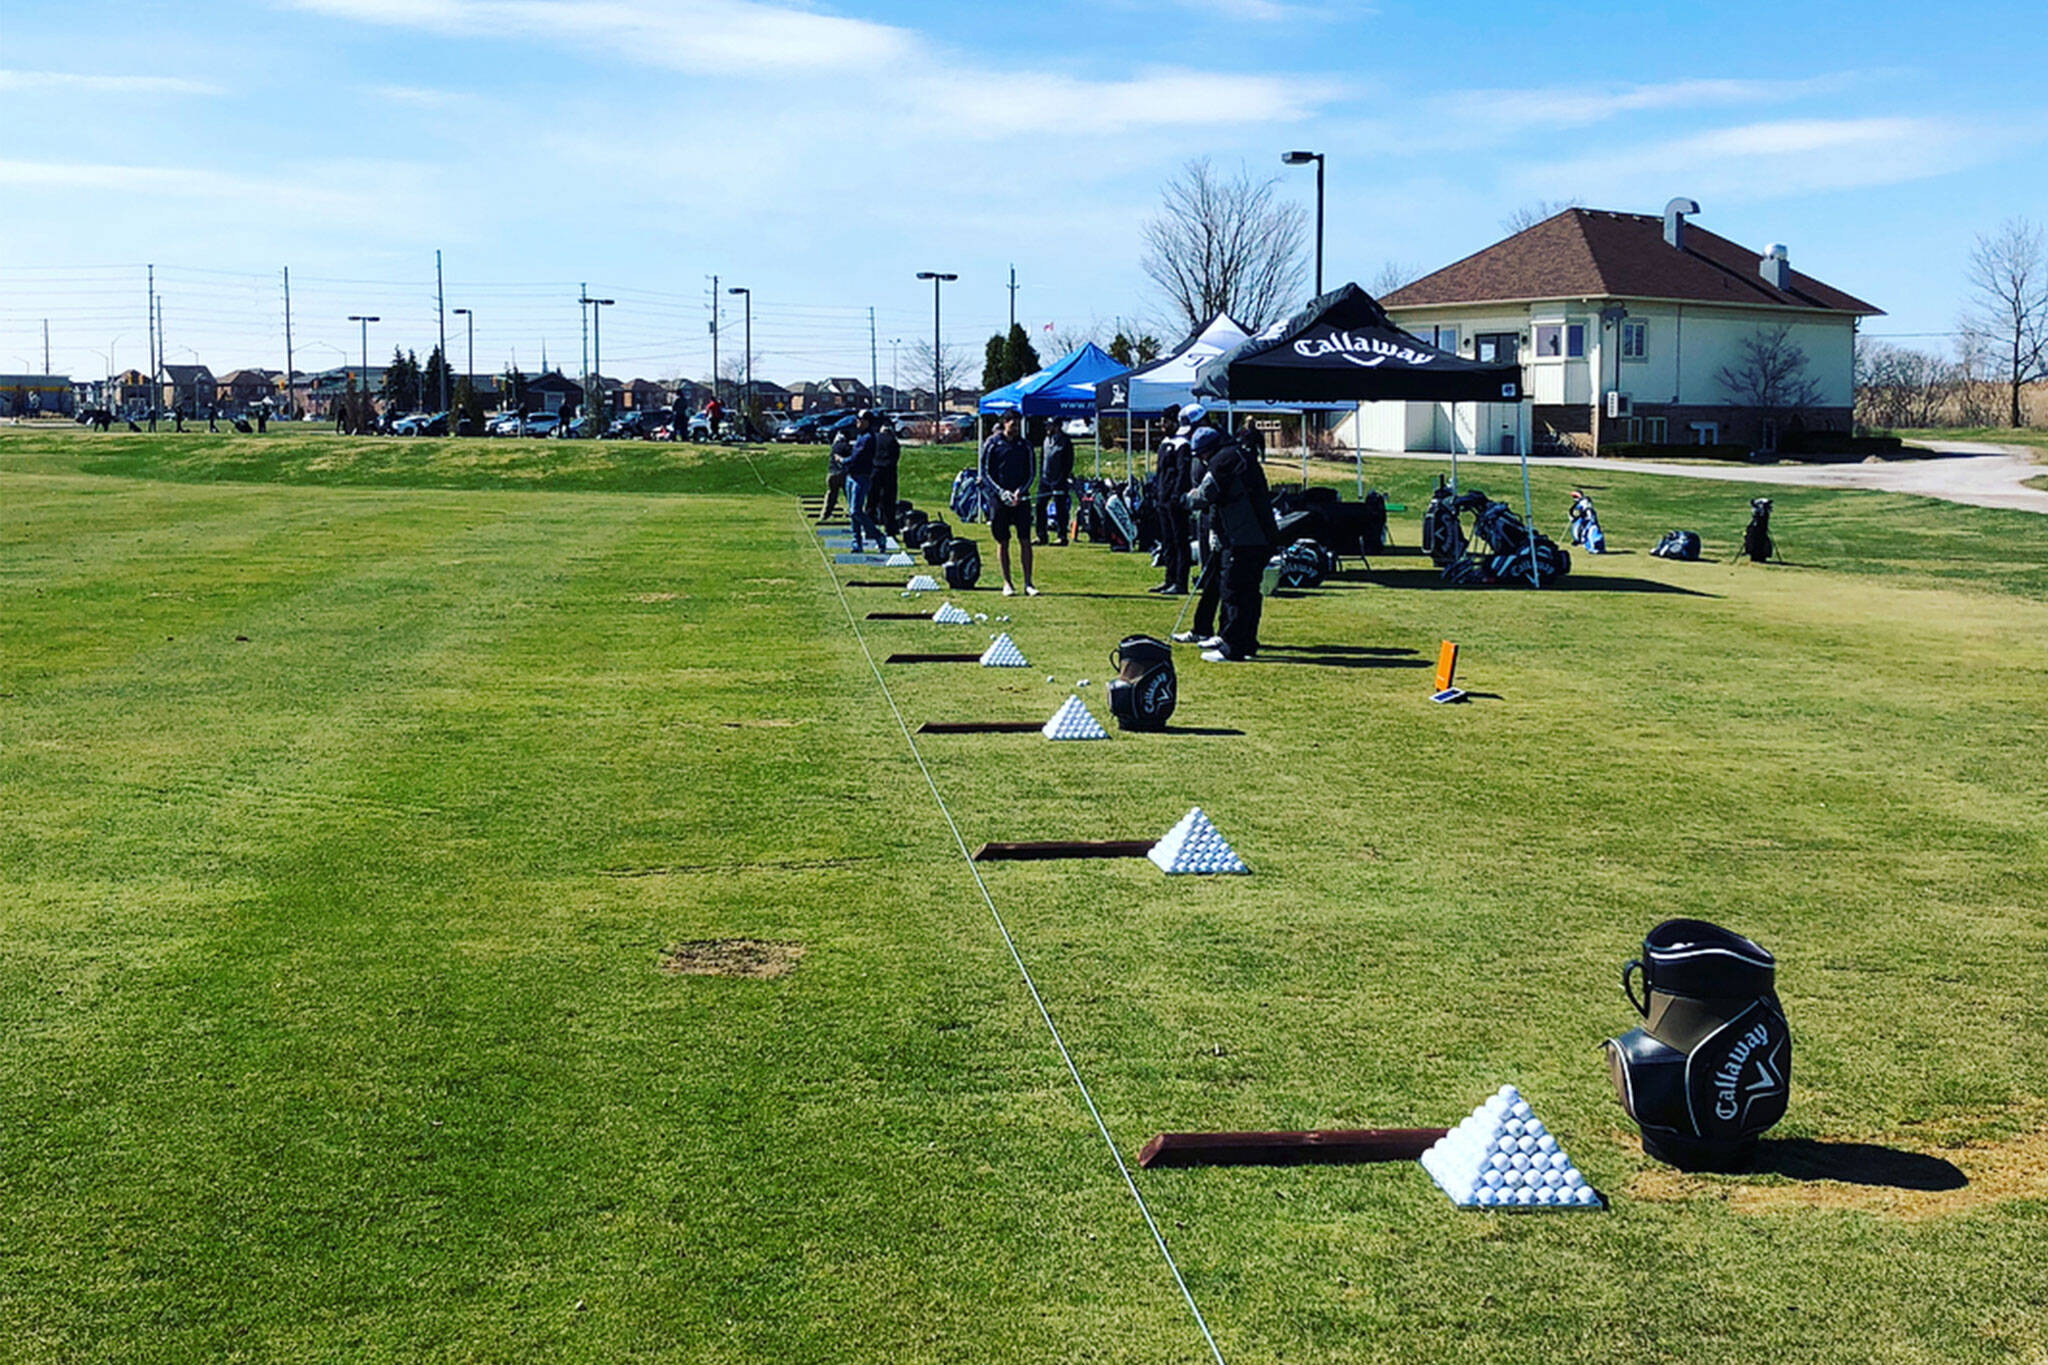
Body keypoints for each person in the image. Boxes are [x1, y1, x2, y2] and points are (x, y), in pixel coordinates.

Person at [1185, 424, 1278, 662]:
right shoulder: (1238, 455)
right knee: (1249, 594)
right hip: (1261, 536)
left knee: (1234, 591)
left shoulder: (1222, 461)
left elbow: (1205, 495)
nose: (1202, 460)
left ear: (1208, 450)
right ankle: (1246, 643)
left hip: (1243, 538)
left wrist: (1183, 499)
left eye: (1201, 455)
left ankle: (1232, 647)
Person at [979, 413, 1039, 597]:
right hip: (999, 499)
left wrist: (1021, 490)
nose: (1015, 428)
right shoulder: (993, 444)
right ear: (1005, 424)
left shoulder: (1025, 446)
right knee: (1003, 541)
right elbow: (986, 472)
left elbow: (1031, 472)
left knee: (1025, 540)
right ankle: (1007, 583)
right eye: (1013, 424)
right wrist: (1000, 492)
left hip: (1021, 499)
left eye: (1018, 425)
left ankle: (1028, 583)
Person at [1151, 404, 1193, 594]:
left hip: (1174, 501)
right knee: (1167, 542)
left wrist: (1175, 496)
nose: (1162, 425)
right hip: (1162, 499)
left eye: (1166, 422)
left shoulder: (1182, 445)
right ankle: (1169, 579)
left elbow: (1182, 474)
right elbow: (1160, 472)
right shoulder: (1164, 443)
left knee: (1179, 542)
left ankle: (1180, 581)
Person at [843, 412, 884, 552]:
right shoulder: (860, 436)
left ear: (866, 422)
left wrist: (843, 460)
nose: (857, 423)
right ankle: (856, 543)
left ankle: (878, 535)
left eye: (860, 420)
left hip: (861, 477)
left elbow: (857, 457)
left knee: (856, 511)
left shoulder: (868, 438)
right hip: (851, 476)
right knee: (852, 513)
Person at [1037, 419, 1075, 546]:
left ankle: (1062, 536)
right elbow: (1043, 458)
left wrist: (1062, 478)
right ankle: (1041, 535)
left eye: (1050, 425)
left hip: (1059, 480)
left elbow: (1068, 463)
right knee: (1040, 506)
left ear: (1057, 426)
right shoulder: (1046, 440)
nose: (1047, 428)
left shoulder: (1065, 442)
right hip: (1045, 479)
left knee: (1060, 508)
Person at [867, 410, 902, 542]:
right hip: (889, 472)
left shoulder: (875, 439)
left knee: (871, 501)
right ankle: (890, 530)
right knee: (889, 503)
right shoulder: (893, 441)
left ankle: (870, 528)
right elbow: (896, 457)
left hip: (874, 472)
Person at [820, 424, 850, 524]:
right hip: (843, 474)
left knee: (831, 495)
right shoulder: (847, 446)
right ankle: (853, 514)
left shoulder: (834, 446)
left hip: (832, 474)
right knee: (850, 496)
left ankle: (825, 515)